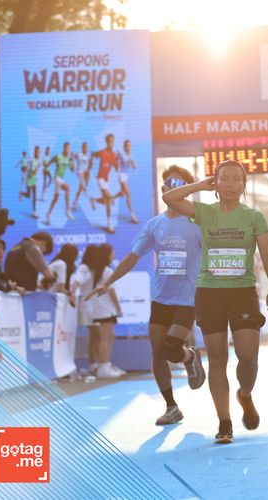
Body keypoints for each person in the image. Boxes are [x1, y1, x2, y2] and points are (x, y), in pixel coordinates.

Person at [162, 160, 268, 444]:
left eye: (236, 179)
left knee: (248, 357)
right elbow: (169, 198)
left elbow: (266, 252)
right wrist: (200, 186)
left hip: (242, 292)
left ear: (243, 185)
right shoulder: (205, 212)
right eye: (223, 179)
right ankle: (224, 422)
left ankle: (245, 395)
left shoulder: (253, 217)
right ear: (216, 184)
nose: (230, 184)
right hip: (210, 292)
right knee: (217, 358)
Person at [86, 166, 206, 425]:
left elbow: (212, 257)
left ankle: (188, 356)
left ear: (186, 191)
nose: (172, 188)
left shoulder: (197, 223)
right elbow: (132, 257)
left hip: (188, 298)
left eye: (179, 185)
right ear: (163, 189)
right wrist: (107, 282)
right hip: (161, 299)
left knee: (171, 348)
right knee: (157, 352)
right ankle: (171, 406)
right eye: (169, 184)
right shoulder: (154, 225)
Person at [84, 244, 123, 379]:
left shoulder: (95, 271)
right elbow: (112, 292)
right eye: (112, 253)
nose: (113, 256)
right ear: (107, 255)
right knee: (106, 338)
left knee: (107, 337)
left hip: (99, 308)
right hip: (106, 309)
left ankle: (105, 365)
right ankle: (104, 366)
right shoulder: (107, 271)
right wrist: (118, 308)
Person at [70, 245, 101, 375]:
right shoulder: (84, 268)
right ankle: (95, 364)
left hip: (96, 306)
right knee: (96, 335)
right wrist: (72, 292)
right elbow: (77, 281)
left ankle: (96, 364)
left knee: (96, 336)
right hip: (87, 306)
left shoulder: (98, 269)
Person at [89, 134, 118, 234]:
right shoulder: (102, 152)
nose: (111, 143)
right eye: (109, 141)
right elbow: (93, 154)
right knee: (109, 199)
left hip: (106, 180)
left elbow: (116, 168)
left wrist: (118, 163)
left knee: (105, 201)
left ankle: (93, 200)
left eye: (112, 141)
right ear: (106, 142)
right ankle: (109, 225)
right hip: (100, 178)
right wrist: (90, 163)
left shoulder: (113, 155)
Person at [44, 142, 75, 225]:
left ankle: (48, 214)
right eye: (67, 148)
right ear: (64, 148)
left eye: (69, 149)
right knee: (67, 188)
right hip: (56, 178)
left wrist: (72, 160)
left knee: (56, 198)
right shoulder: (58, 156)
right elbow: (49, 162)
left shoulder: (68, 159)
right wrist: (45, 169)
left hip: (61, 179)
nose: (68, 150)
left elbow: (73, 170)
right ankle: (67, 210)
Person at [114, 139, 138, 224]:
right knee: (128, 193)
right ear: (124, 147)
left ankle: (112, 199)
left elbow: (134, 167)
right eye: (127, 145)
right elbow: (116, 166)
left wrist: (132, 162)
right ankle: (132, 215)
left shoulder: (131, 156)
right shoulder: (121, 154)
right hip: (121, 175)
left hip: (126, 176)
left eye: (130, 145)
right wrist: (117, 158)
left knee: (122, 193)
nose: (129, 147)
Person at [20, 145, 41, 218]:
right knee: (28, 195)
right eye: (37, 151)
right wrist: (38, 167)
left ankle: (34, 212)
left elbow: (35, 173)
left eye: (39, 152)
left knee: (35, 196)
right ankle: (22, 193)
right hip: (29, 179)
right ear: (34, 152)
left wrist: (37, 177)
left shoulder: (38, 161)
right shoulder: (32, 160)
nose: (38, 153)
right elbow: (32, 172)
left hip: (34, 180)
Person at [72, 142, 91, 211]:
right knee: (82, 185)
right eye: (84, 147)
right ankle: (85, 188)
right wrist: (72, 158)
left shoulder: (87, 156)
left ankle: (75, 202)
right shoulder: (79, 154)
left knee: (80, 189)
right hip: (79, 172)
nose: (86, 149)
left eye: (86, 147)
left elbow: (89, 164)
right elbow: (73, 156)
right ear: (82, 148)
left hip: (84, 172)